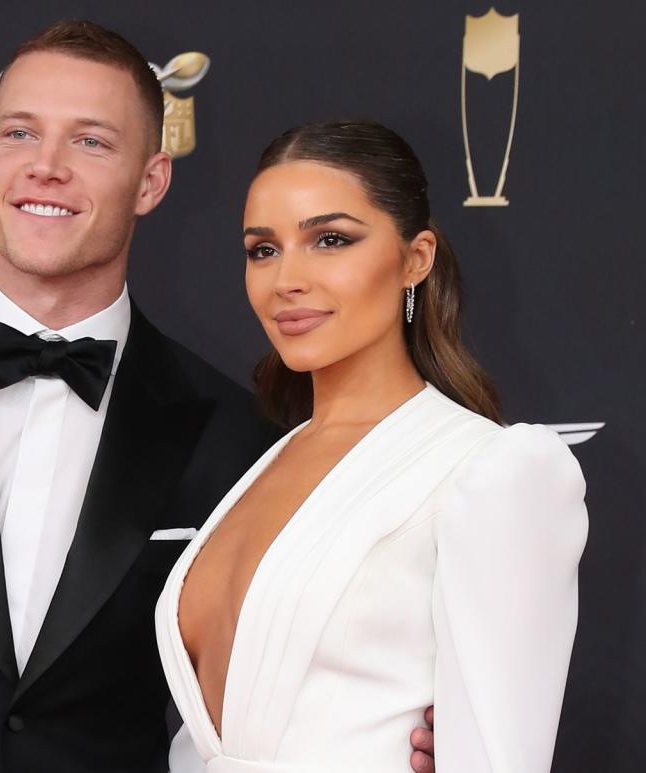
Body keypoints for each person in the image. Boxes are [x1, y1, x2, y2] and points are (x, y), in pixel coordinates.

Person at [0, 21, 435, 773]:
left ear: (151, 181)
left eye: (90, 142)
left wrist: (404, 738)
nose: (45, 167)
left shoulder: (235, 435)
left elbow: (264, 694)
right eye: (19, 133)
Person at [156, 120, 588, 772]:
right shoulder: (268, 458)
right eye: (262, 249)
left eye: (330, 240)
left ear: (416, 258)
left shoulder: (493, 470)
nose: (286, 279)